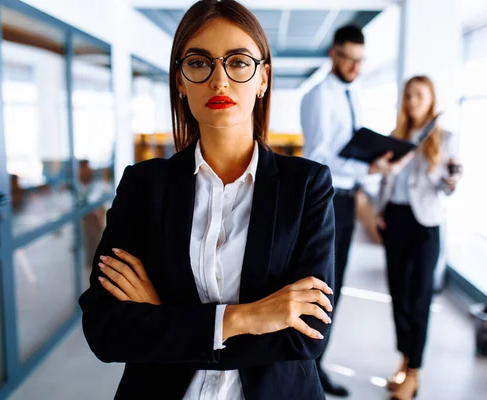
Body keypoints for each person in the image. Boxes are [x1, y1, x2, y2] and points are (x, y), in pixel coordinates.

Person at [78, 1, 336, 399]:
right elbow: (106, 329)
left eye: (237, 62)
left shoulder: (307, 186)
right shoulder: (144, 186)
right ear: (180, 80)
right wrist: (250, 317)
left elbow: (306, 337)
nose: (219, 80)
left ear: (263, 77)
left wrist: (163, 319)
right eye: (199, 63)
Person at [301, 25, 412, 397]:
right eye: (348, 59)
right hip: (326, 198)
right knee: (323, 285)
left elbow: (350, 149)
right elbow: (318, 159)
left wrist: (374, 170)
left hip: (348, 199)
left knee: (336, 287)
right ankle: (308, 368)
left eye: (360, 61)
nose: (355, 67)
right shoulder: (320, 96)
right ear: (333, 55)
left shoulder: (353, 94)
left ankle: (317, 364)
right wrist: (368, 168)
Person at [372, 76, 461, 400]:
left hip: (425, 225)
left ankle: (414, 371)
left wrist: (452, 178)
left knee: (420, 297)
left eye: (419, 96)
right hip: (394, 220)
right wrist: (379, 210)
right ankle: (404, 359)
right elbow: (385, 180)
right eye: (408, 95)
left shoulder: (446, 139)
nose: (412, 101)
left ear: (431, 100)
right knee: (398, 296)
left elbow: (448, 188)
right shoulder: (395, 137)